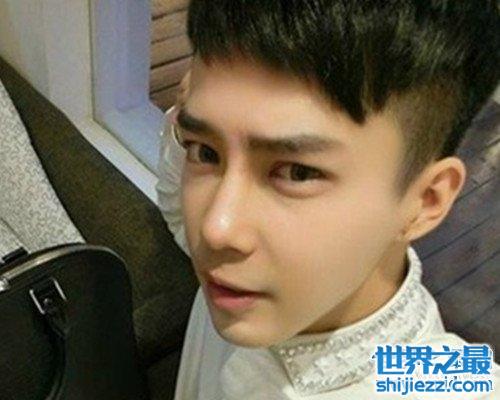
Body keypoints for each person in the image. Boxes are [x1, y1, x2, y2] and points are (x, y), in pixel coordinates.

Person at [155, 1, 500, 399]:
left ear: (425, 201)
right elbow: (178, 211)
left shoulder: (437, 378)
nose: (215, 229)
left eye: (297, 173)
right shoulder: (240, 282)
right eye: (205, 152)